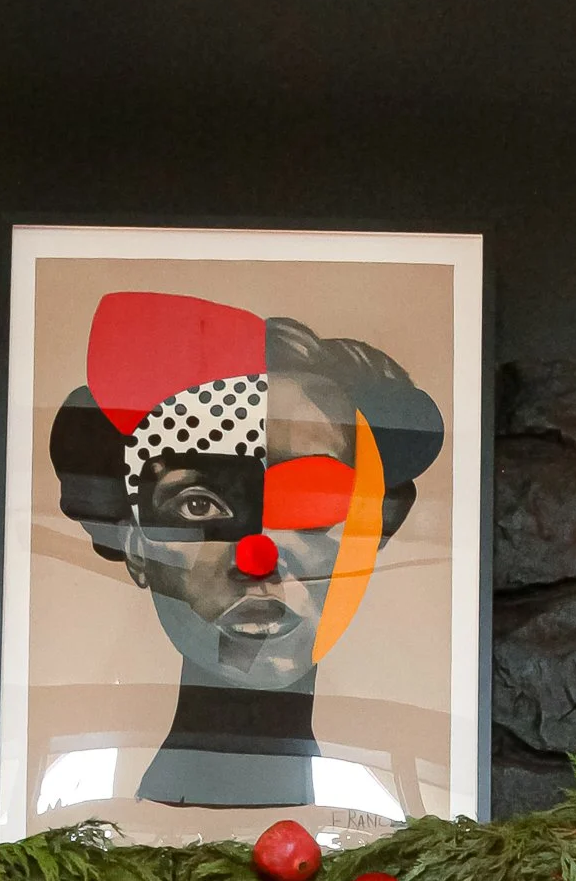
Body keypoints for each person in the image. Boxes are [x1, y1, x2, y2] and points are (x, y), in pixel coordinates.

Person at [49, 290, 445, 808]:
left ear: (378, 526)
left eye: (311, 499)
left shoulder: (394, 803)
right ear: (134, 541)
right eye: (198, 505)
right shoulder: (74, 798)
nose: (257, 555)